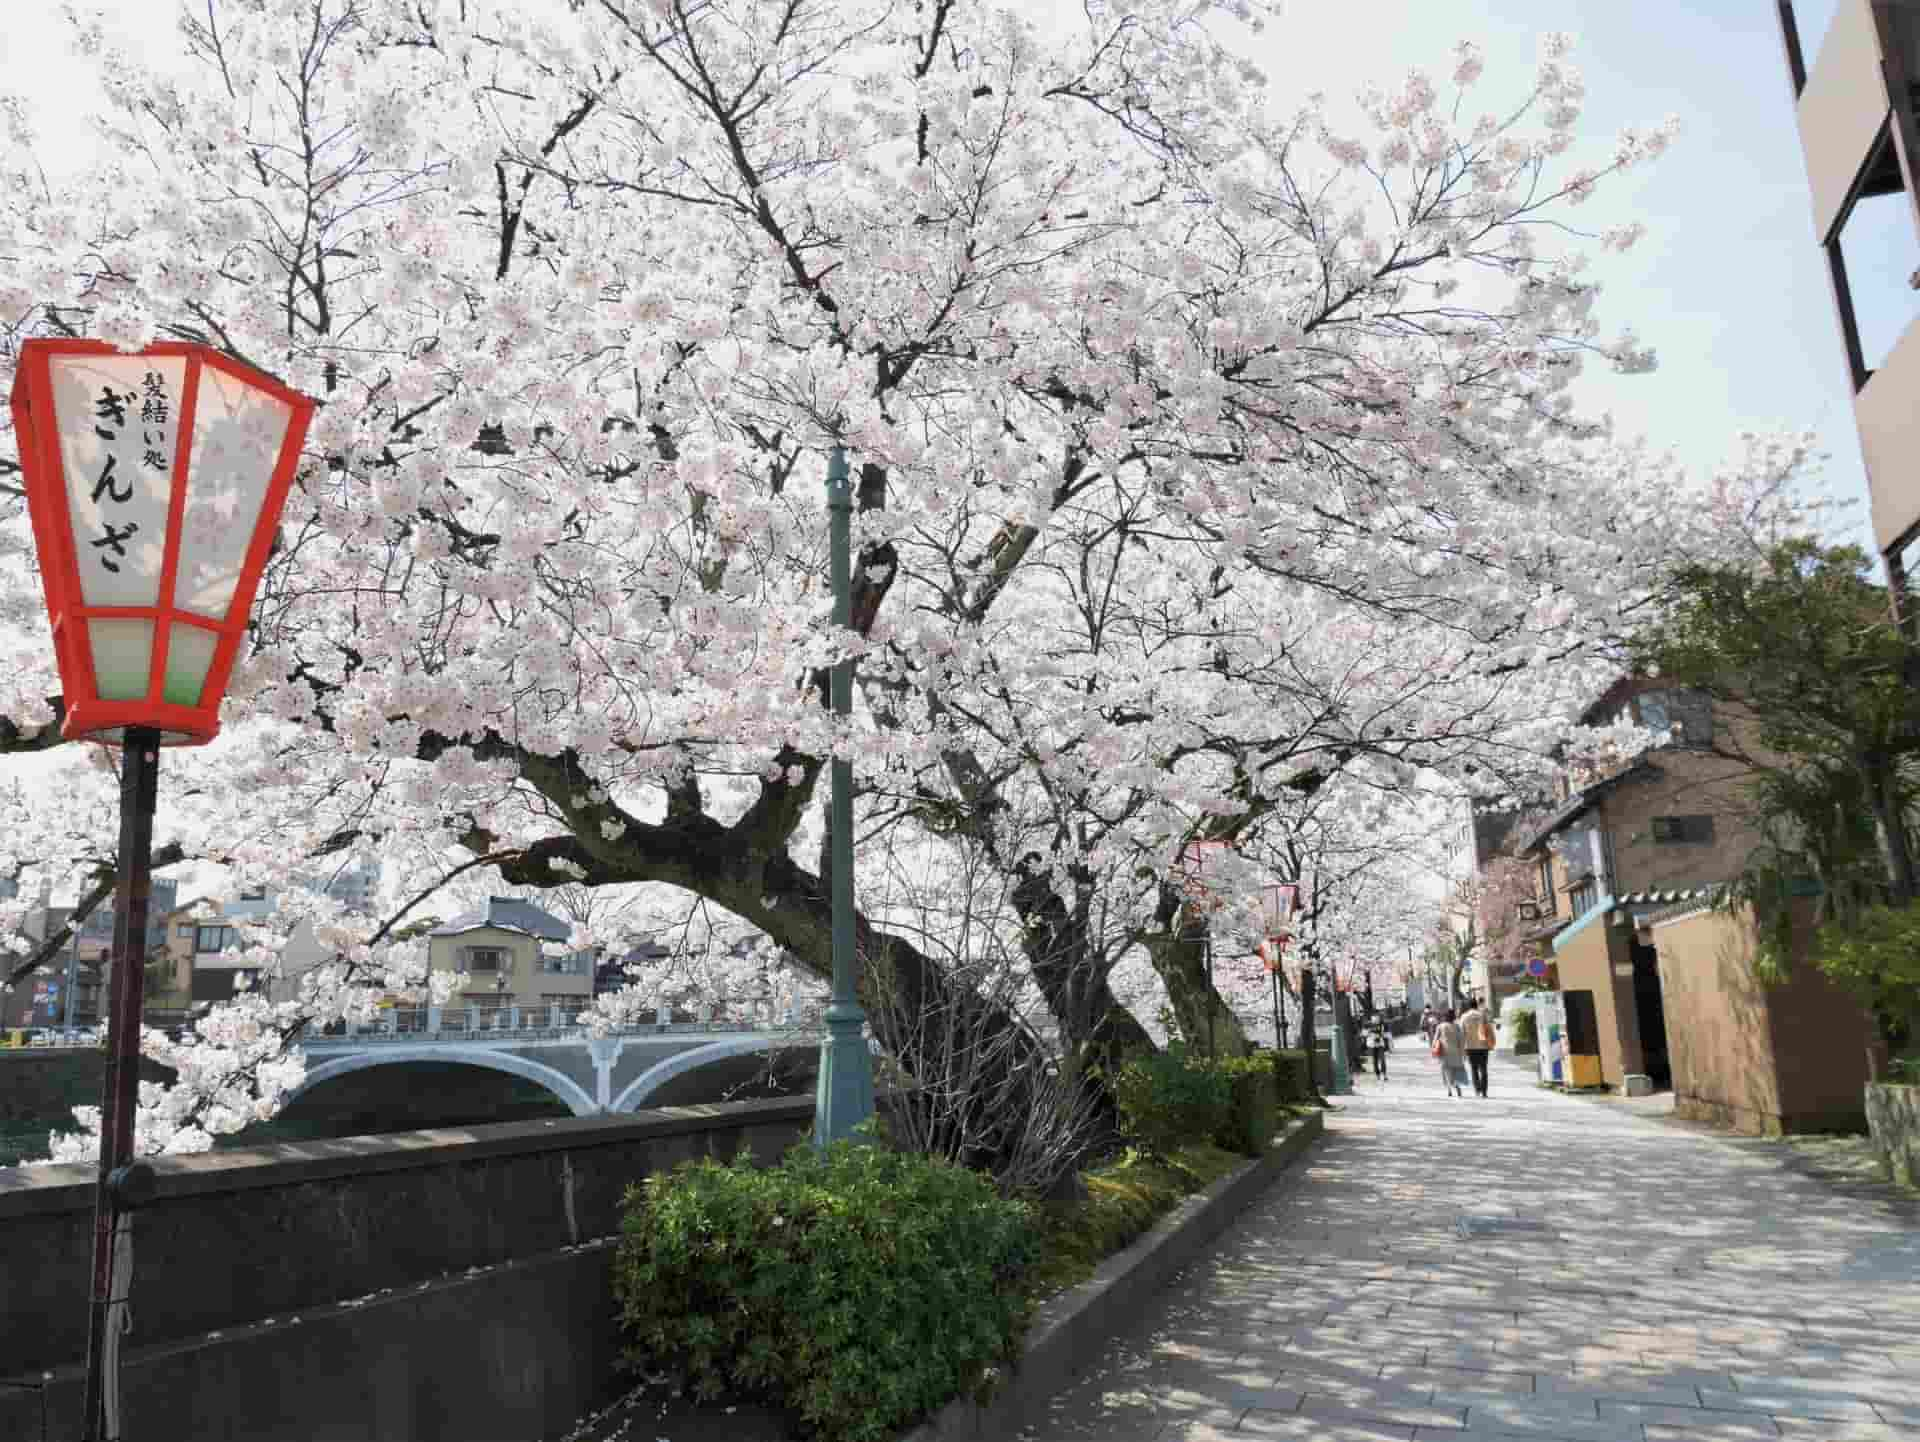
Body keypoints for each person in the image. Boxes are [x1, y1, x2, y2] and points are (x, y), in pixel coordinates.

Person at [1460, 997, 1496, 1098]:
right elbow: (1489, 1029)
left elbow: (1462, 1034)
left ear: (1468, 1006)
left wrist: (1462, 1049)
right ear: (1476, 1005)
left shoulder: (1464, 1017)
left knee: (1474, 1069)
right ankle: (1484, 1091)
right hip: (1483, 1045)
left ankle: (1477, 1090)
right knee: (1483, 1068)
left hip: (1470, 1046)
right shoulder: (1482, 1015)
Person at [1431, 1007, 1468, 1097]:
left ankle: (1449, 1090)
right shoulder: (1457, 1026)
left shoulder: (1440, 1026)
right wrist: (1463, 1054)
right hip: (1456, 1053)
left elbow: (1434, 1040)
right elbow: (1461, 1041)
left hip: (1444, 1053)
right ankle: (1457, 1086)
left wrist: (1434, 1050)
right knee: (1456, 1072)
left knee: (1447, 1072)